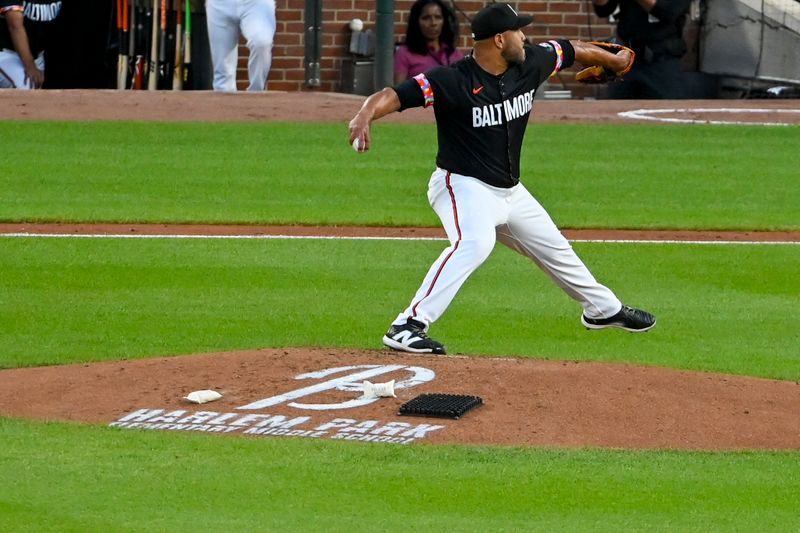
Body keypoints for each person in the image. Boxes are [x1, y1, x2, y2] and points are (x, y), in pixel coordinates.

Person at [348, 2, 656, 355]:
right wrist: (365, 114)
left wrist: (611, 61)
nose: (524, 38)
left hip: (510, 192)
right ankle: (408, 324)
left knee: (555, 248)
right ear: (498, 40)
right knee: (475, 243)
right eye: (518, 32)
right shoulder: (452, 80)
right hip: (463, 186)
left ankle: (603, 310)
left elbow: (569, 49)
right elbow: (396, 95)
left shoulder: (529, 62)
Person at [590, 0, 691, 99]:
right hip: (628, 59)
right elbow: (603, 9)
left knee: (665, 110)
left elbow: (666, 10)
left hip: (661, 61)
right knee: (614, 109)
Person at [205, 0, 275, 91]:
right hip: (219, 4)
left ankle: (256, 94)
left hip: (256, 3)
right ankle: (225, 103)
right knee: (223, 74)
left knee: (261, 43)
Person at [395, 0, 463, 84]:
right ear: (416, 21)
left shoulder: (454, 54)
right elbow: (399, 92)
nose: (433, 23)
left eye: (438, 17)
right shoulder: (404, 53)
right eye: (426, 18)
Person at [0, 0, 62, 89]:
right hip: (6, 54)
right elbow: (15, 26)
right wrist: (30, 66)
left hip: (38, 56)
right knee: (27, 86)